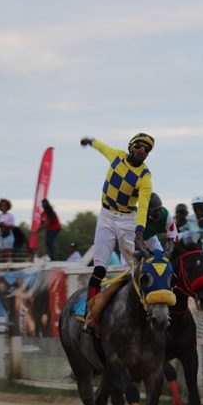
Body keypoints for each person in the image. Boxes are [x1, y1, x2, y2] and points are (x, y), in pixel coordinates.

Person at [80, 132, 154, 330]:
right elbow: (102, 147)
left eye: (147, 149)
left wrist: (139, 231)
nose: (142, 151)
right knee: (99, 268)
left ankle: (146, 311)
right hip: (106, 216)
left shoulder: (145, 177)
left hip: (128, 220)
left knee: (137, 268)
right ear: (131, 146)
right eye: (139, 146)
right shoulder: (117, 155)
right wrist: (91, 141)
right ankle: (88, 312)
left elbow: (144, 205)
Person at [0, 198, 15, 262]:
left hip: (8, 233)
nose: (3, 207)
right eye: (2, 205)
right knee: (3, 251)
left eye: (5, 205)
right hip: (1, 234)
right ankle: (5, 264)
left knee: (8, 251)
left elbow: (12, 226)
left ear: (8, 206)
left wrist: (5, 224)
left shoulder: (10, 215)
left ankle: (9, 264)